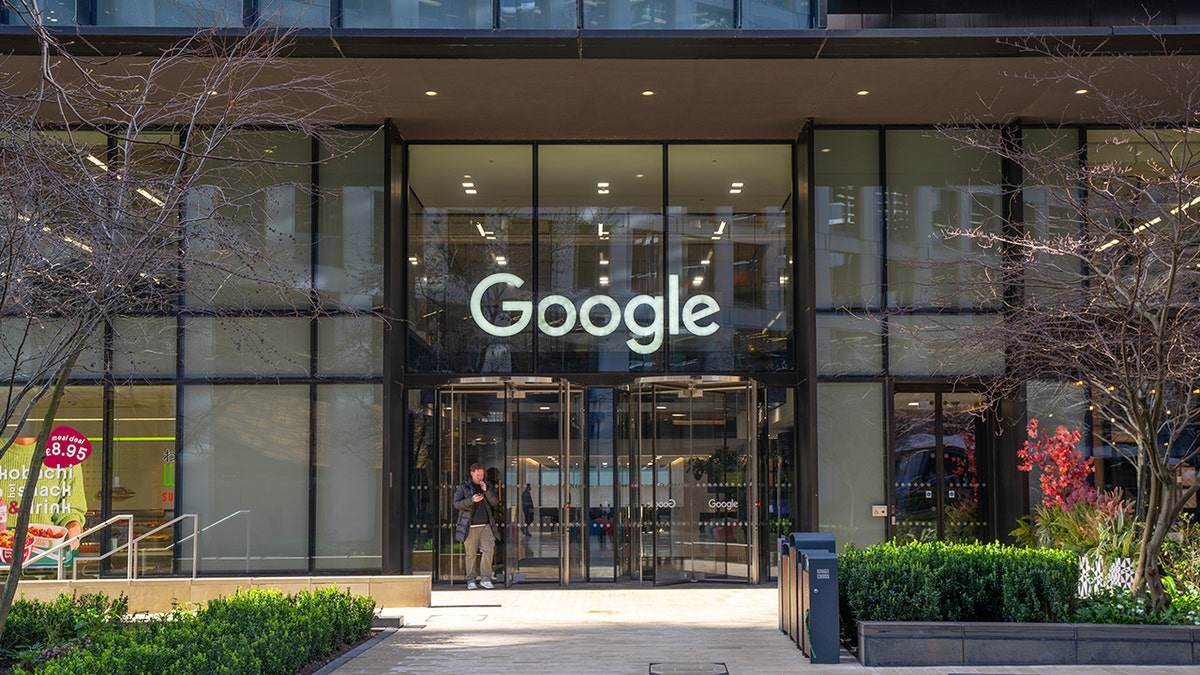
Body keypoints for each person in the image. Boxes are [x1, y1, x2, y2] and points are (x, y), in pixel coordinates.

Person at [453, 462, 500, 590]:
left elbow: (495, 501)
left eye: (482, 475)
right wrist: (471, 500)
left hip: (485, 525)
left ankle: (486, 578)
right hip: (470, 526)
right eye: (478, 475)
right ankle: (471, 580)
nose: (480, 477)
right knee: (471, 553)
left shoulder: (487, 485)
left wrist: (486, 491)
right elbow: (456, 504)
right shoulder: (463, 487)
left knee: (488, 550)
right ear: (472, 473)